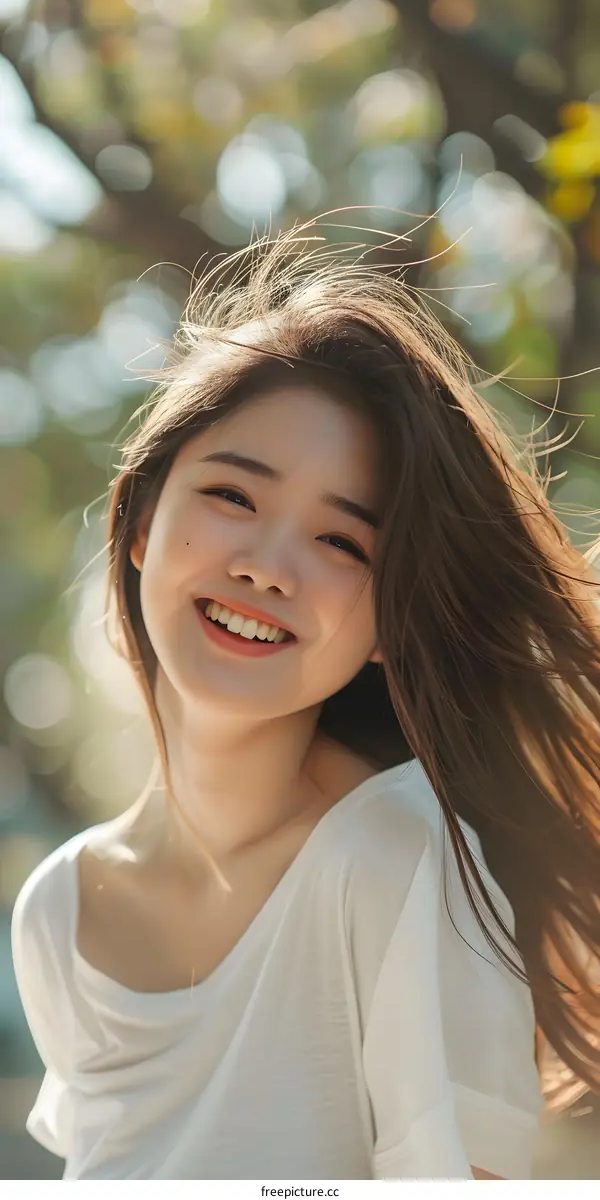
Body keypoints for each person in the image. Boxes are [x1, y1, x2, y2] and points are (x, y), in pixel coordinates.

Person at [11, 219, 600, 1181]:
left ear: (386, 629)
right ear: (142, 521)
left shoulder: (398, 860)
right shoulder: (60, 915)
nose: (267, 568)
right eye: (235, 498)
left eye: (341, 544)